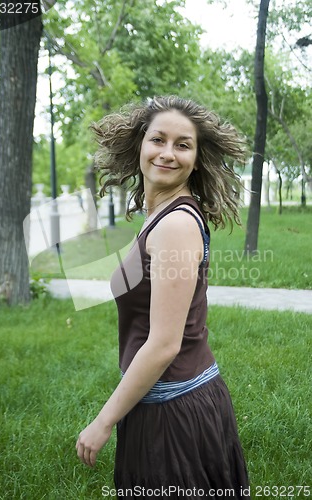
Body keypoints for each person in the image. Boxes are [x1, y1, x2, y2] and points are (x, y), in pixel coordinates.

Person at [76, 95, 250, 499]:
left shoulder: (175, 226)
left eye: (183, 144)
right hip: (161, 402)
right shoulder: (159, 216)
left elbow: (164, 344)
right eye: (158, 139)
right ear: (140, 143)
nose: (168, 153)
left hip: (174, 412)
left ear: (196, 156)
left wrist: (103, 421)